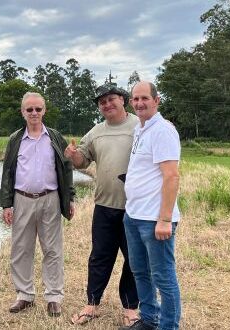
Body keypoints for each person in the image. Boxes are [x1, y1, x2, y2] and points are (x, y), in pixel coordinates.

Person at [64, 83, 140, 326]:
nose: (107, 105)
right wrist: (73, 155)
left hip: (136, 207)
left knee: (134, 259)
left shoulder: (140, 126)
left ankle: (130, 308)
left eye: (111, 99)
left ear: (123, 100)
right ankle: (92, 304)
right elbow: (81, 160)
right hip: (105, 205)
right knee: (99, 257)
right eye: (102, 102)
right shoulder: (96, 131)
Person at [0, 92, 75, 317]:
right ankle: (24, 295)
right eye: (29, 109)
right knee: (21, 249)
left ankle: (53, 297)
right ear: (23, 112)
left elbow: (67, 167)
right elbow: (8, 172)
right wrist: (6, 204)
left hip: (50, 199)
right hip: (21, 199)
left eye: (38, 109)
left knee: (52, 249)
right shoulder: (15, 139)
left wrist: (69, 197)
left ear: (44, 111)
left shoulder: (55, 137)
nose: (34, 113)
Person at [121, 81, 181, 330]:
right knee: (140, 273)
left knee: (163, 277)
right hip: (133, 215)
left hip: (154, 219)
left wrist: (165, 218)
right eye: (135, 99)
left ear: (157, 100)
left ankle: (169, 326)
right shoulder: (140, 129)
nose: (139, 103)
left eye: (144, 98)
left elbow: (171, 176)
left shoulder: (162, 130)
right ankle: (148, 319)